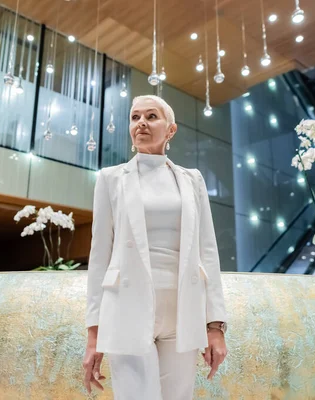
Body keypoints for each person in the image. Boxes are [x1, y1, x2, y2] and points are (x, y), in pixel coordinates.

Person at [83, 95, 228, 400]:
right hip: (126, 307)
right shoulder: (110, 179)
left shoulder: (193, 180)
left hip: (182, 309)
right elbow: (99, 259)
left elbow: (208, 251)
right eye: (135, 117)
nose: (141, 124)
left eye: (151, 116)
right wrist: (94, 335)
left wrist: (215, 326)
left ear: (171, 129)